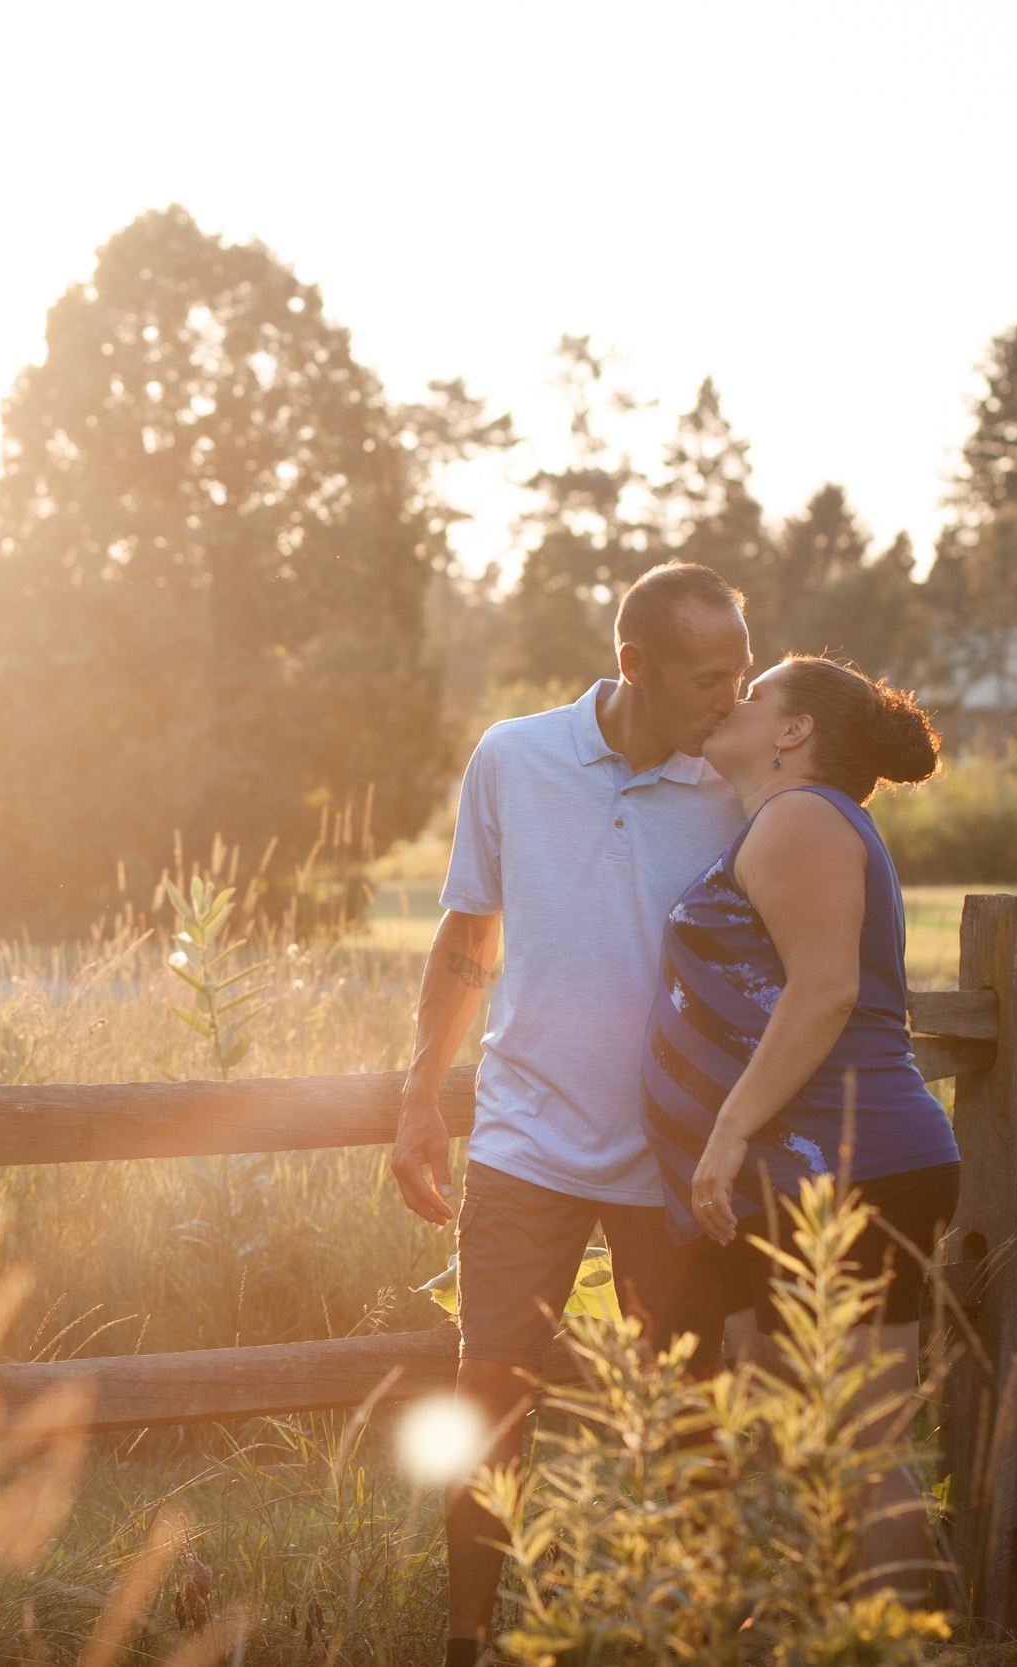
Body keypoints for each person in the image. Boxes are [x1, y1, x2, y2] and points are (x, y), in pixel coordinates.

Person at [387, 561, 753, 1667]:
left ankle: (682, 1633)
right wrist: (417, 1099)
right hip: (524, 1142)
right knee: (488, 1387)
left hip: (674, 1153)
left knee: (685, 1405)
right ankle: (467, 1638)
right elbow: (467, 938)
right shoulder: (514, 756)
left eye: (742, 668)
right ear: (632, 664)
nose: (733, 696)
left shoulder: (740, 780)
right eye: (708, 675)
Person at [643, 653, 956, 1599]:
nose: (730, 700)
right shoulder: (787, 820)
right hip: (824, 1166)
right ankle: (849, 1630)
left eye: (754, 691)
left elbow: (825, 991)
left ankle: (905, 1648)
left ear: (794, 732)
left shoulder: (799, 819)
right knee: (826, 1439)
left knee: (865, 1442)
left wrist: (729, 1132)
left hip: (851, 1160)